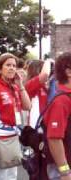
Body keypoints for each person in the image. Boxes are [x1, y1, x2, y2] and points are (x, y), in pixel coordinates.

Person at [0, 53, 31, 180]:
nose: (12, 68)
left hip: (14, 137)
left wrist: (21, 86)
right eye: (8, 65)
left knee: (12, 175)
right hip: (0, 138)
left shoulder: (14, 86)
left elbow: (27, 106)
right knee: (1, 176)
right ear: (0, 69)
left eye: (14, 65)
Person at [43, 52, 71, 180]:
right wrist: (64, 171)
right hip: (63, 168)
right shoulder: (61, 101)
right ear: (68, 72)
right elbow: (54, 138)